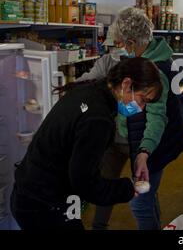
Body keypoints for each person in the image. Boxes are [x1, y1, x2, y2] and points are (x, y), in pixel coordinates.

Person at [11, 58, 163, 230]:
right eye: (142, 99)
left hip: (32, 190)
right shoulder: (98, 118)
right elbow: (85, 183)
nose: (141, 108)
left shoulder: (90, 90)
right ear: (126, 84)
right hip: (43, 204)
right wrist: (127, 188)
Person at [78, 7, 183, 230]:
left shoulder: (155, 72)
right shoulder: (136, 60)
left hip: (151, 143)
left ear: (131, 42)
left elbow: (156, 118)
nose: (119, 48)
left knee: (140, 203)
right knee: (138, 192)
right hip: (129, 136)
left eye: (120, 43)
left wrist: (144, 152)